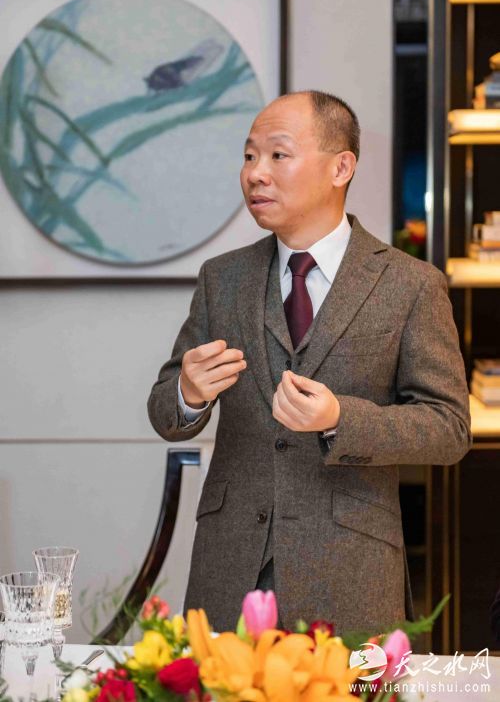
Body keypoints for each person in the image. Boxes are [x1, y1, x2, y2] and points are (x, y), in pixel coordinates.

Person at [148, 90, 471, 634]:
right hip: (230, 567)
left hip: (351, 571)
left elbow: (449, 429)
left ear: (341, 167)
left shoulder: (410, 284)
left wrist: (342, 419)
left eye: (278, 155)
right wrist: (188, 393)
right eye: (249, 156)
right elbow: (165, 412)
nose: (255, 173)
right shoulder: (222, 278)